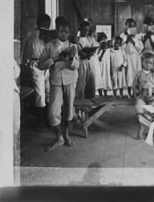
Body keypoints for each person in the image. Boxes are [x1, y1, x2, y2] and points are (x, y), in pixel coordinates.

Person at [38, 18, 79, 152]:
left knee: (68, 109)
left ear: (69, 32)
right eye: (61, 31)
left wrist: (72, 58)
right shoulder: (49, 46)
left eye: (66, 32)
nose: (63, 34)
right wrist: (55, 59)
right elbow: (40, 65)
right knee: (53, 111)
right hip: (55, 81)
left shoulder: (73, 47)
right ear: (57, 31)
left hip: (70, 81)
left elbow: (76, 66)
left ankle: (66, 135)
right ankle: (59, 137)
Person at [21, 13, 52, 130]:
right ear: (39, 23)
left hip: (48, 64)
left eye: (48, 24)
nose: (47, 26)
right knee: (40, 94)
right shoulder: (32, 34)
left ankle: (49, 119)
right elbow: (24, 50)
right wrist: (24, 63)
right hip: (36, 65)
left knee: (49, 91)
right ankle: (41, 122)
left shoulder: (48, 35)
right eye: (45, 23)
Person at [133, 52, 154, 140]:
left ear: (153, 64)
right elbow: (134, 85)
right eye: (146, 62)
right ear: (142, 62)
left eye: (151, 63)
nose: (148, 65)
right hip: (141, 95)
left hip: (152, 96)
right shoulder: (139, 74)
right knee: (139, 108)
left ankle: (153, 129)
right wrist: (138, 93)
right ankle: (141, 128)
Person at [75, 21, 99, 99]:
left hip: (89, 62)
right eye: (84, 30)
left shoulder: (90, 39)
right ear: (80, 29)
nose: (86, 32)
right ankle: (79, 104)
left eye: (87, 30)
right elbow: (76, 49)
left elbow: (95, 47)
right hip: (81, 62)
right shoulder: (76, 39)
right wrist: (82, 53)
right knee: (80, 84)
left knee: (91, 83)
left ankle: (90, 102)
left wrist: (91, 52)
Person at [122, 19, 143, 98]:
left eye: (133, 26)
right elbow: (121, 47)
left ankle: (135, 92)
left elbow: (140, 48)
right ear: (126, 26)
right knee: (129, 74)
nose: (131, 27)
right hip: (128, 57)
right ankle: (129, 93)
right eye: (129, 26)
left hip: (136, 58)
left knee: (136, 74)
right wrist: (127, 40)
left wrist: (133, 42)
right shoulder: (123, 36)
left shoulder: (138, 36)